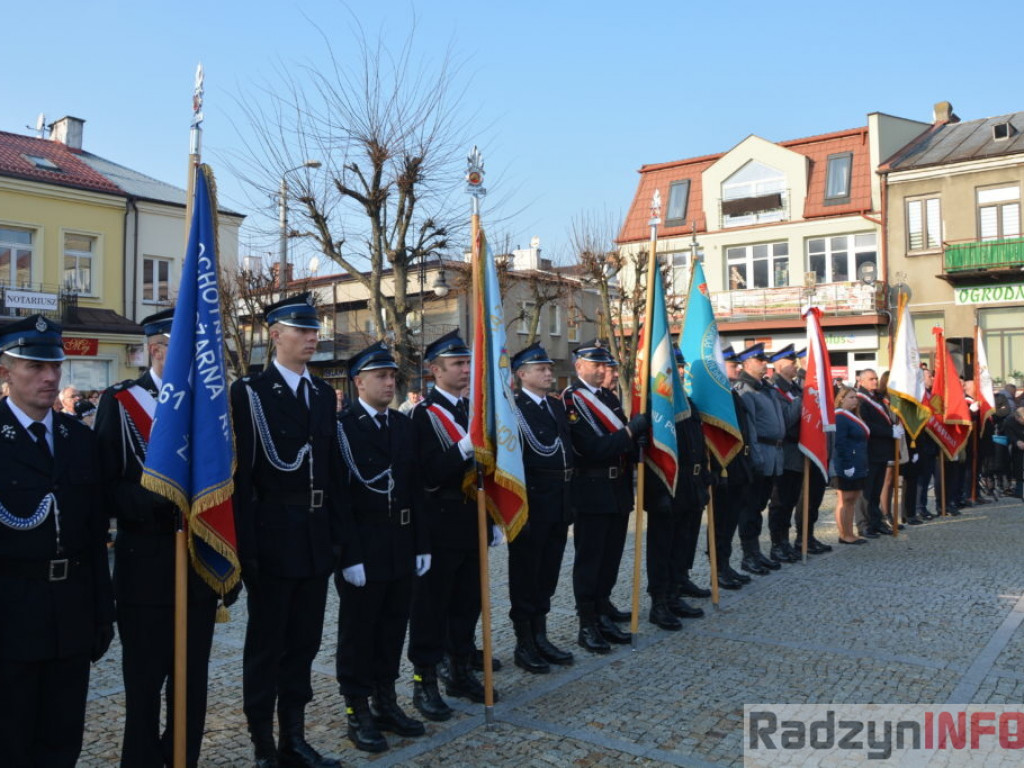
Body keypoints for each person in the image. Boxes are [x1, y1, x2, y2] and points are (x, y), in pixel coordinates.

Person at [94, 307, 226, 768]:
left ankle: (183, 759)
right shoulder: (122, 401)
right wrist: (154, 499)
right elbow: (105, 488)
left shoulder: (209, 408)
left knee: (192, 682)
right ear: (157, 350)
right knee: (145, 683)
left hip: (198, 562)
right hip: (145, 564)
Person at [231, 293, 349, 768]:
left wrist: (338, 537)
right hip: (272, 534)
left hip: (316, 537)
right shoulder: (250, 394)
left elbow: (334, 472)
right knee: (266, 645)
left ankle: (293, 738)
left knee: (304, 643)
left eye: (314, 329)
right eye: (301, 330)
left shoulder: (322, 394)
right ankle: (263, 744)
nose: (312, 337)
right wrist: (246, 548)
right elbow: (241, 480)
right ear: (275, 334)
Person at [0, 314, 115, 767]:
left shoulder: (76, 439)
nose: (50, 377)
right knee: (10, 741)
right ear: (5, 372)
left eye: (55, 366)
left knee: (63, 738)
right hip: (10, 616)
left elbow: (92, 537)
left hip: (70, 614)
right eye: (35, 367)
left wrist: (102, 613)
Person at [334, 342, 429, 753]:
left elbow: (415, 489)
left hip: (400, 543)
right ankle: (357, 706)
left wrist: (421, 542)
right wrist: (347, 555)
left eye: (392, 376)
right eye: (380, 377)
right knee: (359, 631)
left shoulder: (402, 425)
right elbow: (338, 499)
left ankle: (385, 699)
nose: (389, 383)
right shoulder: (342, 427)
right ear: (359, 382)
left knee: (393, 626)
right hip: (364, 546)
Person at [408, 330, 491, 720]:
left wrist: (490, 518)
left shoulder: (471, 410)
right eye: (457, 364)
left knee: (467, 603)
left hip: (471, 518)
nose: (465, 370)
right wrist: (462, 449)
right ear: (435, 371)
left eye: (466, 363)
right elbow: (426, 475)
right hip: (439, 523)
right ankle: (425, 680)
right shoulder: (424, 416)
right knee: (431, 608)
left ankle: (459, 669)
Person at [563, 339, 647, 654]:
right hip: (592, 490)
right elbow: (592, 449)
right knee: (591, 558)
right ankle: (587, 622)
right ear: (579, 366)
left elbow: (622, 442)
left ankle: (603, 607)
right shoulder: (573, 401)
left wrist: (635, 439)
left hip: (617, 488)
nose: (603, 370)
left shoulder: (609, 398)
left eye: (605, 365)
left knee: (611, 556)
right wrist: (629, 433)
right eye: (596, 364)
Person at [508, 342, 575, 673]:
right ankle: (524, 642)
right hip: (531, 505)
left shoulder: (555, 406)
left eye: (549, 368)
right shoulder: (513, 410)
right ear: (522, 374)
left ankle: (541, 634)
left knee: (547, 573)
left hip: (558, 502)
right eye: (541, 369)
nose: (549, 373)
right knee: (526, 575)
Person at [644, 349, 712, 631]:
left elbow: (697, 443)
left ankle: (676, 592)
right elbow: (653, 453)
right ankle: (659, 602)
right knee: (663, 547)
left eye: (682, 367)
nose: (680, 372)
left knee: (684, 543)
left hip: (691, 485)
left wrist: (705, 477)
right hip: (667, 486)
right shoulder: (657, 405)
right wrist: (657, 491)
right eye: (675, 368)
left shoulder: (688, 403)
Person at [733, 343, 785, 575]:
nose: (765, 363)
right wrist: (755, 457)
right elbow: (750, 427)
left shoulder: (766, 388)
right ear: (746, 364)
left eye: (765, 360)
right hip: (759, 453)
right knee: (750, 508)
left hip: (772, 453)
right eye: (759, 360)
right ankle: (748, 555)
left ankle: (756, 552)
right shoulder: (744, 389)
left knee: (759, 506)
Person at [708, 345, 754, 591]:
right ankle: (718, 567)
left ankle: (725, 564)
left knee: (731, 520)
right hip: (723, 466)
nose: (737, 367)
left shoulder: (732, 392)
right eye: (732, 364)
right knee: (720, 520)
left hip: (739, 464)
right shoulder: (715, 395)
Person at [855, 369, 903, 537]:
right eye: (871, 379)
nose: (875, 382)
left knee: (876, 490)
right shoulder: (860, 400)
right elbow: (867, 424)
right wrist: (890, 432)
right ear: (860, 381)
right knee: (866, 492)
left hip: (881, 451)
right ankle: (863, 524)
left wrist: (893, 428)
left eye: (876, 378)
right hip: (870, 450)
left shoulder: (876, 398)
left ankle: (876, 522)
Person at [833, 387, 870, 544]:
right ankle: (844, 534)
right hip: (847, 463)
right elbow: (840, 443)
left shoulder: (853, 416)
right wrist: (846, 464)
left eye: (856, 397)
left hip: (858, 461)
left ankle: (849, 532)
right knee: (845, 499)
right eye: (851, 397)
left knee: (852, 499)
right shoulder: (841, 417)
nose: (855, 400)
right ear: (841, 399)